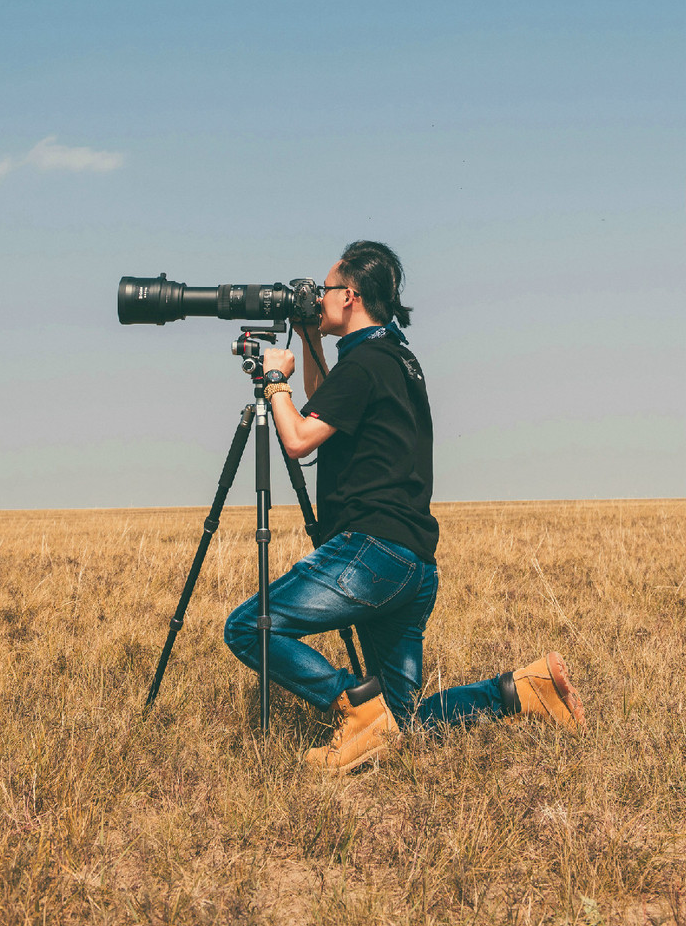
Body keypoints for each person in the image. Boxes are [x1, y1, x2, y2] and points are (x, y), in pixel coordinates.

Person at [224, 241, 585, 774]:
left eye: (324, 291)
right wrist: (309, 339)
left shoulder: (366, 363)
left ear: (349, 296)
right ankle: (521, 691)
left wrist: (275, 377)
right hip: (412, 564)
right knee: (406, 719)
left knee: (250, 626)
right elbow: (330, 403)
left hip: (369, 553)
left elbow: (300, 437)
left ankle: (355, 706)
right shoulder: (394, 357)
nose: (317, 300)